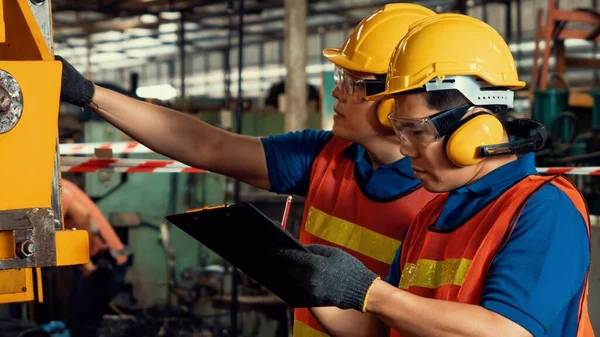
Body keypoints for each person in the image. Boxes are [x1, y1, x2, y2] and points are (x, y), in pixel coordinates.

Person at [54, 4, 438, 337]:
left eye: (353, 84)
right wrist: (88, 93)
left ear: (399, 99)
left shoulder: (445, 196)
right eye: (341, 79)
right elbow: (208, 146)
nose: (336, 92)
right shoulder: (324, 155)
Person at [272, 14, 594, 337]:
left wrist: (370, 293)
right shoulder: (429, 219)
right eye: (400, 129)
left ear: (475, 129)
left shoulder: (546, 209)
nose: (405, 148)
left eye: (415, 130)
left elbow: (505, 330)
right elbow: (380, 330)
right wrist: (311, 282)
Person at [60, 179, 131, 337]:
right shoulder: (60, 183)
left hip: (102, 263)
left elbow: (82, 215)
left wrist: (85, 258)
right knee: (84, 323)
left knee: (82, 326)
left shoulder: (52, 188)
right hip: (103, 261)